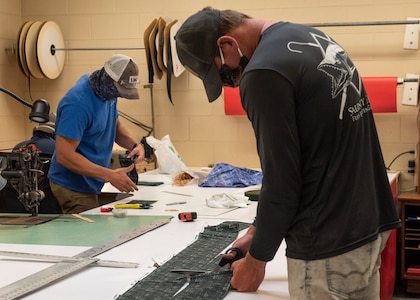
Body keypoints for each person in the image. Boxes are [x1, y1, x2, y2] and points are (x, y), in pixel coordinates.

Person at [175, 7, 401, 299]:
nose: (230, 81)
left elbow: (282, 180)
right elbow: (313, 154)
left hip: (326, 244)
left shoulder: (263, 73)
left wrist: (256, 261)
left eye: (221, 71)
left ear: (227, 44)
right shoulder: (308, 37)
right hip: (367, 228)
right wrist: (257, 232)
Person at [48, 54, 145, 214]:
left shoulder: (106, 92)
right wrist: (110, 175)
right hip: (72, 186)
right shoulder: (77, 104)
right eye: (119, 91)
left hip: (92, 181)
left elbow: (115, 125)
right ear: (108, 79)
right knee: (87, 235)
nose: (119, 95)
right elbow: (65, 156)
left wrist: (135, 145)